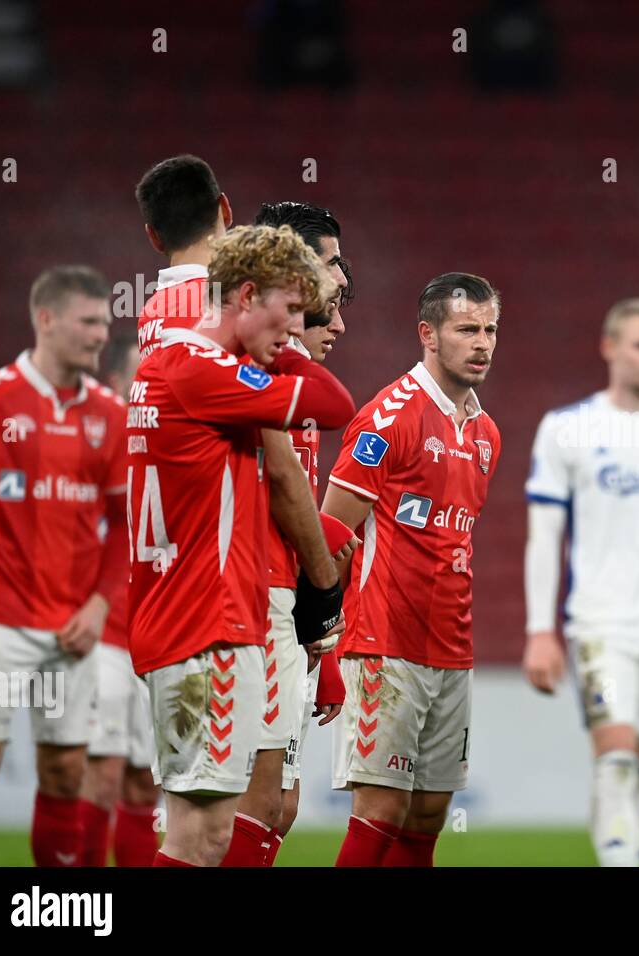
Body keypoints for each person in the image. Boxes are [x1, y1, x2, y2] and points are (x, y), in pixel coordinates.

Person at [134, 157, 346, 864]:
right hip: (230, 598)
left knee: (224, 818)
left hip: (197, 592)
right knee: (222, 822)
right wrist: (325, 591)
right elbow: (288, 463)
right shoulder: (205, 342)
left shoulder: (158, 320)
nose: (317, 307)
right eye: (299, 298)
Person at [323, 273, 502, 867]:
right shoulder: (387, 419)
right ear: (428, 334)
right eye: (466, 329)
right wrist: (326, 647)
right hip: (383, 643)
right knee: (380, 809)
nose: (482, 343)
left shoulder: (485, 434)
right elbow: (328, 540)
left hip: (451, 647)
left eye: (490, 329)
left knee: (428, 815)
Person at [522, 297, 639, 866]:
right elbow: (544, 535)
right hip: (600, 625)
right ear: (610, 347)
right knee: (618, 756)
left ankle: (632, 855)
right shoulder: (568, 428)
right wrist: (539, 631)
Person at [0, 266, 126, 867]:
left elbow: (124, 526)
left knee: (64, 773)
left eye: (105, 322)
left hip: (72, 630)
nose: (100, 335)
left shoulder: (109, 416)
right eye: (88, 321)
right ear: (46, 320)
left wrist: (99, 604)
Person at [244, 199, 354, 865]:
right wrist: (325, 594)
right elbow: (284, 492)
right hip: (249, 601)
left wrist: (325, 646)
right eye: (331, 264)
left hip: (283, 608)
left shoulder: (294, 376)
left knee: (275, 807)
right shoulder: (258, 365)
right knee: (235, 807)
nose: (340, 284)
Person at [79, 335, 161, 867]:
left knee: (141, 784)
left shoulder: (178, 446)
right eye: (139, 377)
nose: (148, 388)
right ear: (115, 385)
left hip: (159, 637)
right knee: (100, 774)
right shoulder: (92, 449)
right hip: (102, 634)